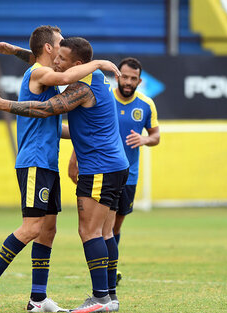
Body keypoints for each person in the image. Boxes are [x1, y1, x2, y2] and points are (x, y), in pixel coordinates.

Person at [0, 36, 129, 313]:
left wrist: (4, 104)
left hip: (85, 165)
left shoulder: (79, 83)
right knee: (45, 229)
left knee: (72, 231)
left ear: (77, 63)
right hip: (41, 162)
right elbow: (48, 68)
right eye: (56, 48)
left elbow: (47, 107)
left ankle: (86, 298)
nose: (57, 57)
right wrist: (14, 51)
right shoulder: (50, 73)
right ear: (47, 48)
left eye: (63, 56)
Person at [67, 57, 160, 285]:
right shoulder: (105, 98)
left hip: (129, 175)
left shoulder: (146, 105)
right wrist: (74, 159)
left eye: (133, 79)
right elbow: (87, 131)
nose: (128, 82)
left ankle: (109, 272)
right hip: (101, 171)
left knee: (114, 226)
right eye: (125, 76)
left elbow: (156, 136)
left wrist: (145, 139)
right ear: (118, 75)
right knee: (100, 228)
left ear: (139, 80)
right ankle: (108, 277)